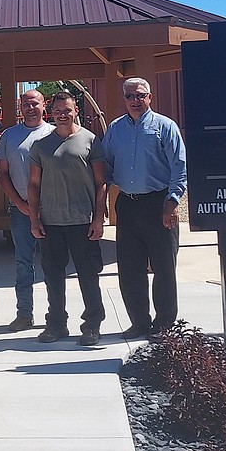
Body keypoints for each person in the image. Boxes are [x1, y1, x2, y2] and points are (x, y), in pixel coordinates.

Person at [102, 77, 187, 339]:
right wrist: (100, 203)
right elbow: (105, 167)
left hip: (159, 204)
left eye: (140, 96)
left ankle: (164, 325)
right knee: (130, 269)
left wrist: (172, 203)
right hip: (127, 205)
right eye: (130, 96)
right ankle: (139, 322)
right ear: (124, 99)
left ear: (149, 97)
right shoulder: (115, 129)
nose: (135, 101)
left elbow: (180, 167)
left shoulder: (165, 126)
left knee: (163, 268)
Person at [28, 91, 109, 346]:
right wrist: (34, 218)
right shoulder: (41, 145)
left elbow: (101, 183)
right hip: (51, 223)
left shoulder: (90, 141)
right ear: (51, 113)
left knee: (88, 275)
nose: (63, 115)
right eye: (58, 111)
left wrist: (98, 219)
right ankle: (56, 324)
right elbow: (33, 185)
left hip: (83, 222)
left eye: (67, 110)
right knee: (53, 276)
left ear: (76, 111)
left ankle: (92, 326)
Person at [0, 89, 55, 331]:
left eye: (34, 103)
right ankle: (24, 314)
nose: (30, 108)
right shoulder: (10, 136)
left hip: (52, 211)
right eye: (25, 104)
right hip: (20, 211)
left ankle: (55, 315)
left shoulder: (54, 133)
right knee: (23, 264)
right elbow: (2, 173)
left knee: (52, 264)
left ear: (44, 105)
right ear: (20, 107)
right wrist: (19, 203)